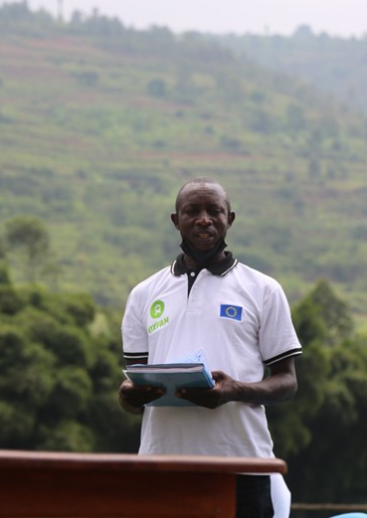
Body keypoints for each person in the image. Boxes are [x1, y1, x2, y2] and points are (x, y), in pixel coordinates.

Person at [119, 177, 302, 518]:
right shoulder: (144, 294)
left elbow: (287, 383)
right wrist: (128, 396)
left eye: (214, 211)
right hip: (162, 465)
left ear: (229, 219)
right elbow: (133, 392)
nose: (204, 219)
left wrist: (234, 390)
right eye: (192, 211)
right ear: (176, 220)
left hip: (242, 465)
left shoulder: (263, 289)